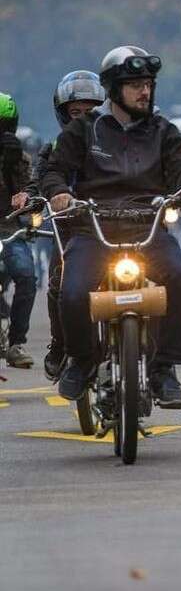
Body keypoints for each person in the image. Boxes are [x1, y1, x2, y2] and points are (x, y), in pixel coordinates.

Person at [42, 46, 181, 406]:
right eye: (135, 85)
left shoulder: (164, 130)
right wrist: (58, 193)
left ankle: (165, 368)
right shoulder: (84, 129)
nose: (144, 92)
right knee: (71, 292)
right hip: (92, 229)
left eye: (148, 84)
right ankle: (82, 361)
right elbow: (54, 170)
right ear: (114, 89)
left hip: (148, 228)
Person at [19, 70, 106, 379]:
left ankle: (147, 349)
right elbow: (39, 177)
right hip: (71, 230)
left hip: (114, 228)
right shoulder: (55, 148)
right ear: (63, 115)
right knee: (59, 281)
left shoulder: (120, 144)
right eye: (76, 112)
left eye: (91, 112)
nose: (84, 118)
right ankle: (61, 344)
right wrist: (30, 198)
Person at [0, 93, 37, 370]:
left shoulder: (19, 158)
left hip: (9, 230)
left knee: (27, 276)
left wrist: (12, 165)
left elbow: (29, 195)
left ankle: (16, 342)